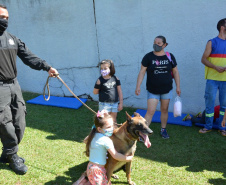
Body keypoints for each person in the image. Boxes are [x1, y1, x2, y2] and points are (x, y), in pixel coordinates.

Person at [0, 4, 58, 175]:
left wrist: (47, 67)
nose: (4, 20)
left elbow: (28, 57)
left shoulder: (12, 39)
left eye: (7, 18)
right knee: (4, 122)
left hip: (14, 85)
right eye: (1, 16)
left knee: (20, 121)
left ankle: (7, 153)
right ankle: (12, 155)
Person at [135, 35, 181, 139]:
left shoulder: (170, 56)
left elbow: (175, 71)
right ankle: (143, 133)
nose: (156, 45)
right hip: (153, 90)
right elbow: (142, 72)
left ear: (164, 45)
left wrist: (178, 86)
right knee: (150, 111)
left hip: (166, 89)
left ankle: (163, 129)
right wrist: (138, 86)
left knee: (164, 110)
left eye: (159, 43)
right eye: (154, 42)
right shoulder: (148, 57)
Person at [79, 110, 133, 185]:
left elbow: (85, 140)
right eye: (108, 127)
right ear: (100, 129)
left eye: (112, 126)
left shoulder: (93, 135)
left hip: (90, 167)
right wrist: (127, 158)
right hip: (97, 170)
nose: (112, 129)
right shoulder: (106, 140)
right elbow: (115, 155)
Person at [199, 18, 226, 136]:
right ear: (222, 27)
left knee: (224, 105)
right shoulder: (212, 42)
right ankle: (208, 126)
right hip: (212, 79)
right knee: (209, 103)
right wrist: (215, 67)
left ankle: (222, 127)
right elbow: (203, 59)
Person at [93, 59, 123, 124]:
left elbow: (119, 91)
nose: (103, 70)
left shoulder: (115, 78)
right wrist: (98, 85)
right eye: (101, 68)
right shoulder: (100, 80)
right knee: (104, 121)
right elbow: (95, 92)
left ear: (110, 68)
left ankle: (113, 133)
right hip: (104, 104)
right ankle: (104, 133)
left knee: (113, 121)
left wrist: (121, 103)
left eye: (105, 68)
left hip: (114, 104)